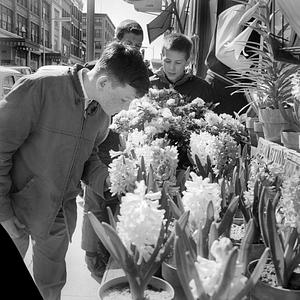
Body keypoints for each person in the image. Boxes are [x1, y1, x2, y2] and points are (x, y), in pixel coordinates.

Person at [0, 41, 149, 300]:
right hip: (15, 206)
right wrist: (2, 211)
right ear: (102, 82)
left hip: (58, 211)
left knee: (51, 287)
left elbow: (87, 154)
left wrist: (110, 180)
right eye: (125, 99)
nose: (126, 108)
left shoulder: (102, 111)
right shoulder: (40, 87)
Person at [81, 19, 154, 279]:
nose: (133, 49)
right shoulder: (98, 76)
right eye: (128, 43)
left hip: (119, 154)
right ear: (116, 41)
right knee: (96, 206)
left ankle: (109, 258)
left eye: (137, 45)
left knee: (115, 205)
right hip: (99, 153)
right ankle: (94, 258)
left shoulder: (136, 80)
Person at [150, 32, 215, 103]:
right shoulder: (148, 84)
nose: (172, 68)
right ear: (161, 58)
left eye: (178, 63)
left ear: (187, 62)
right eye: (168, 61)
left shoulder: (202, 89)